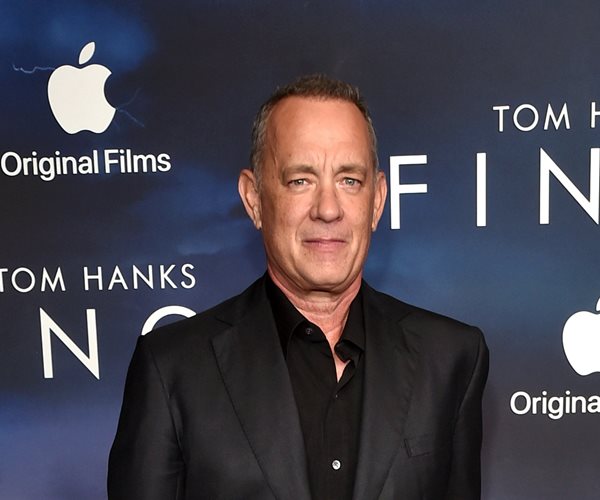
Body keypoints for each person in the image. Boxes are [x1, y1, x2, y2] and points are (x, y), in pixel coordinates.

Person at [108, 74, 489, 500]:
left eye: (349, 180)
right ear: (254, 198)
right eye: (300, 180)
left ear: (378, 200)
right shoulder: (172, 369)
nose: (327, 209)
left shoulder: (451, 357)